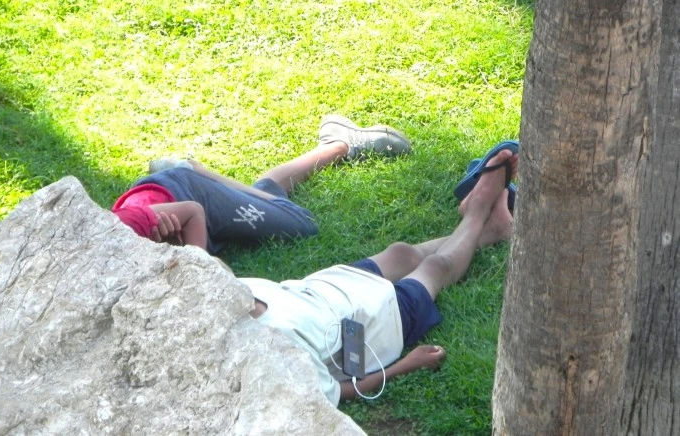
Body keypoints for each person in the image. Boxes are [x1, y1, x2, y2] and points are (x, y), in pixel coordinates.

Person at [240, 146, 518, 405]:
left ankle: (491, 230)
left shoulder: (232, 288)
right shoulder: (274, 350)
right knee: (435, 268)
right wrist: (406, 366)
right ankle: (477, 211)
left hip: (331, 289)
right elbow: (335, 392)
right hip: (377, 324)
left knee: (401, 253)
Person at [112, 115, 412, 254]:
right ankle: (334, 140)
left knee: (300, 223)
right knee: (265, 198)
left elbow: (191, 212)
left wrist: (199, 272)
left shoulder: (123, 226)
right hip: (168, 201)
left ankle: (341, 143)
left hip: (189, 196)